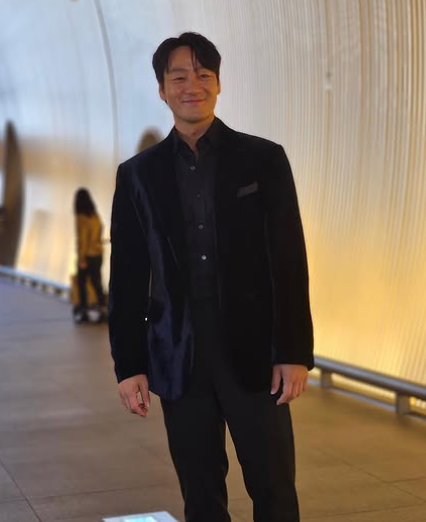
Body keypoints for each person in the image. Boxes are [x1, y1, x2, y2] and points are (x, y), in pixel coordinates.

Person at [108, 32, 314, 522]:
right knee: (200, 495)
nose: (192, 85)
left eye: (203, 74)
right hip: (178, 357)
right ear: (162, 90)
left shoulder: (263, 159)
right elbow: (128, 275)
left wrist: (293, 352)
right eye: (179, 76)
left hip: (255, 354)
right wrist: (129, 364)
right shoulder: (138, 174)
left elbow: (289, 260)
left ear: (218, 84)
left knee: (274, 488)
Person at [73, 188, 106, 323]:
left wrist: (81, 258)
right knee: (96, 282)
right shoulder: (95, 215)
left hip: (87, 256)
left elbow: (83, 238)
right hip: (98, 254)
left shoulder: (81, 217)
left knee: (82, 283)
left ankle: (83, 310)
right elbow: (100, 230)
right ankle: (103, 308)